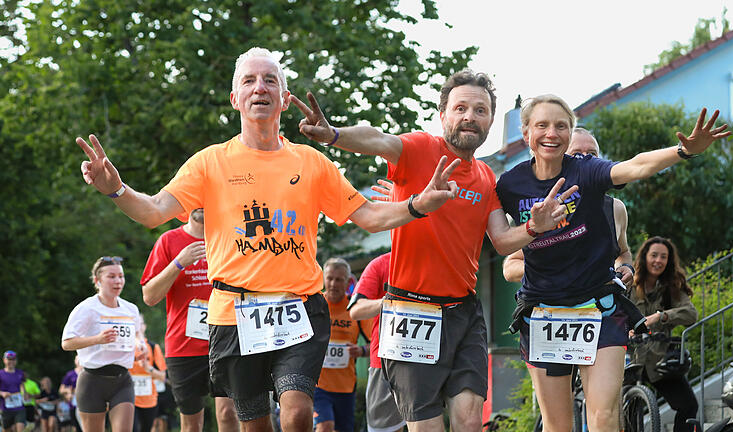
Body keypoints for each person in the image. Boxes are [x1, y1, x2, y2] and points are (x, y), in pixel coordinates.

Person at [75, 47, 461, 432]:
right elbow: (153, 210)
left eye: (270, 80)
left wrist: (419, 204)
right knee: (253, 424)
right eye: (249, 80)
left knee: (295, 413)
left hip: (300, 308)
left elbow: (371, 217)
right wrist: (116, 190)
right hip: (233, 314)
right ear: (235, 99)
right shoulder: (209, 162)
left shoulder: (312, 162)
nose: (260, 88)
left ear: (284, 97)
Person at [292, 70, 575, 431]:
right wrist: (333, 135)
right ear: (443, 115)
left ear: (490, 120)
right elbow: (378, 140)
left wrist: (536, 227)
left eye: (480, 110)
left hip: (464, 312)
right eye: (461, 108)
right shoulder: (420, 148)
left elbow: (503, 241)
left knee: (471, 420)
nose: (470, 116)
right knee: (427, 427)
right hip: (412, 311)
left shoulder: (487, 177)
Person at [494, 94, 729, 432]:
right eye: (542, 125)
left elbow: (636, 165)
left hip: (598, 308)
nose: (551, 133)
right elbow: (495, 240)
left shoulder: (587, 173)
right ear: (526, 132)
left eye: (561, 126)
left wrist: (684, 151)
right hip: (544, 312)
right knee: (557, 424)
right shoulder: (511, 185)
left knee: (604, 417)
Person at [140, 208, 238, 432]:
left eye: (205, 198)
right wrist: (178, 263)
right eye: (194, 198)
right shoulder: (169, 240)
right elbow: (150, 296)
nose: (201, 205)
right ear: (185, 204)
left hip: (227, 341)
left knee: (228, 413)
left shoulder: (230, 236)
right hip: (184, 346)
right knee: (191, 423)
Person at [502, 127, 634, 286]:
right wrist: (555, 269)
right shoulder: (543, 211)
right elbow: (510, 268)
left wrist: (625, 267)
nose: (586, 160)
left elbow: (623, 253)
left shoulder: (615, 208)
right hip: (551, 306)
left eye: (592, 154)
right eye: (576, 154)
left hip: (603, 305)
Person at [61, 256, 141, 432]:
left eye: (120, 276)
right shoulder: (87, 308)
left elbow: (135, 338)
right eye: (111, 277)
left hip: (122, 381)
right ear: (97, 281)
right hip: (92, 381)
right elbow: (66, 343)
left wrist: (138, 349)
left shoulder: (131, 309)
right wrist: (97, 339)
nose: (118, 281)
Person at [629, 237, 698, 432]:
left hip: (658, 361)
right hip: (629, 359)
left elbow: (691, 314)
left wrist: (662, 316)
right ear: (644, 257)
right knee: (625, 412)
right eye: (654, 255)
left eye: (663, 257)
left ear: (669, 261)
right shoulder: (629, 286)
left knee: (688, 405)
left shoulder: (671, 288)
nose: (658, 261)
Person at [347, 252, 406, 432]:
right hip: (385, 363)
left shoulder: (437, 261)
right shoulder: (381, 264)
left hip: (429, 361)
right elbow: (356, 310)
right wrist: (391, 301)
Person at [313, 258, 369, 432]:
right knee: (325, 426)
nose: (333, 284)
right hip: (317, 384)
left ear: (347, 282)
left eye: (339, 279)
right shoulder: (314, 305)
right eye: (329, 278)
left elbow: (375, 344)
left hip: (345, 387)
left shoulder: (355, 309)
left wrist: (360, 350)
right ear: (323, 279)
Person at [130, 315, 167, 432]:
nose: (137, 327)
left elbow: (163, 377)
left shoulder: (152, 347)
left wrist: (148, 368)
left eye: (139, 323)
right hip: (128, 398)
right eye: (134, 323)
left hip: (149, 399)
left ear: (144, 326)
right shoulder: (125, 347)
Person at [1, 350, 26, 432]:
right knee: (7, 430)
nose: (11, 361)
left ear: (16, 361)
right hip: (6, 408)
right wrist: (2, 393)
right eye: (9, 359)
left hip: (19, 406)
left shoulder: (20, 373)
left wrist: (24, 393)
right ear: (4, 360)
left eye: (13, 359)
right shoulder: (0, 373)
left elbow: (22, 385)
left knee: (20, 427)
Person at [59, 356, 83, 432]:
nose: (79, 361)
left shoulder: (88, 373)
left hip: (87, 403)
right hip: (74, 404)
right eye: (77, 359)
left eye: (81, 358)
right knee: (75, 426)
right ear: (75, 361)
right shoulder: (70, 374)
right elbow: (61, 390)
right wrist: (69, 391)